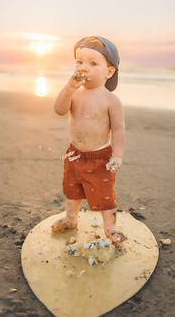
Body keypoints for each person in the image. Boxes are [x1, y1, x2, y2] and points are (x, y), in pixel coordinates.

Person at [51, 36, 126, 244]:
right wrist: (69, 87)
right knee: (72, 190)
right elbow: (59, 110)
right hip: (74, 153)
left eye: (93, 63)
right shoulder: (74, 94)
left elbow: (119, 130)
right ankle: (70, 218)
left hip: (100, 157)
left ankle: (110, 228)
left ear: (109, 72)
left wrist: (117, 156)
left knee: (104, 196)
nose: (84, 67)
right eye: (79, 61)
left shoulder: (111, 101)